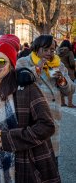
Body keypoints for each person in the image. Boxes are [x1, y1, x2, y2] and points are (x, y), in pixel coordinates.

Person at [0, 34, 60, 182]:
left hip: (25, 166)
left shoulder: (25, 88)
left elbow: (47, 126)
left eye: (2, 61)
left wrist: (9, 138)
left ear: (11, 65)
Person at [16, 34, 75, 164]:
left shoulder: (58, 64)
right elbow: (19, 80)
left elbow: (70, 90)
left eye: (52, 50)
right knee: (31, 164)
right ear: (37, 49)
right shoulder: (24, 62)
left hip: (52, 120)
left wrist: (62, 80)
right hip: (31, 121)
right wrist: (37, 68)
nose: (49, 53)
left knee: (51, 163)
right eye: (45, 49)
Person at [58, 40, 76, 107]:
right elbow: (72, 63)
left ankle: (62, 102)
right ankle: (70, 103)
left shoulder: (58, 52)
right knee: (70, 88)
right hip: (69, 73)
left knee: (62, 87)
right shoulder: (69, 52)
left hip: (61, 72)